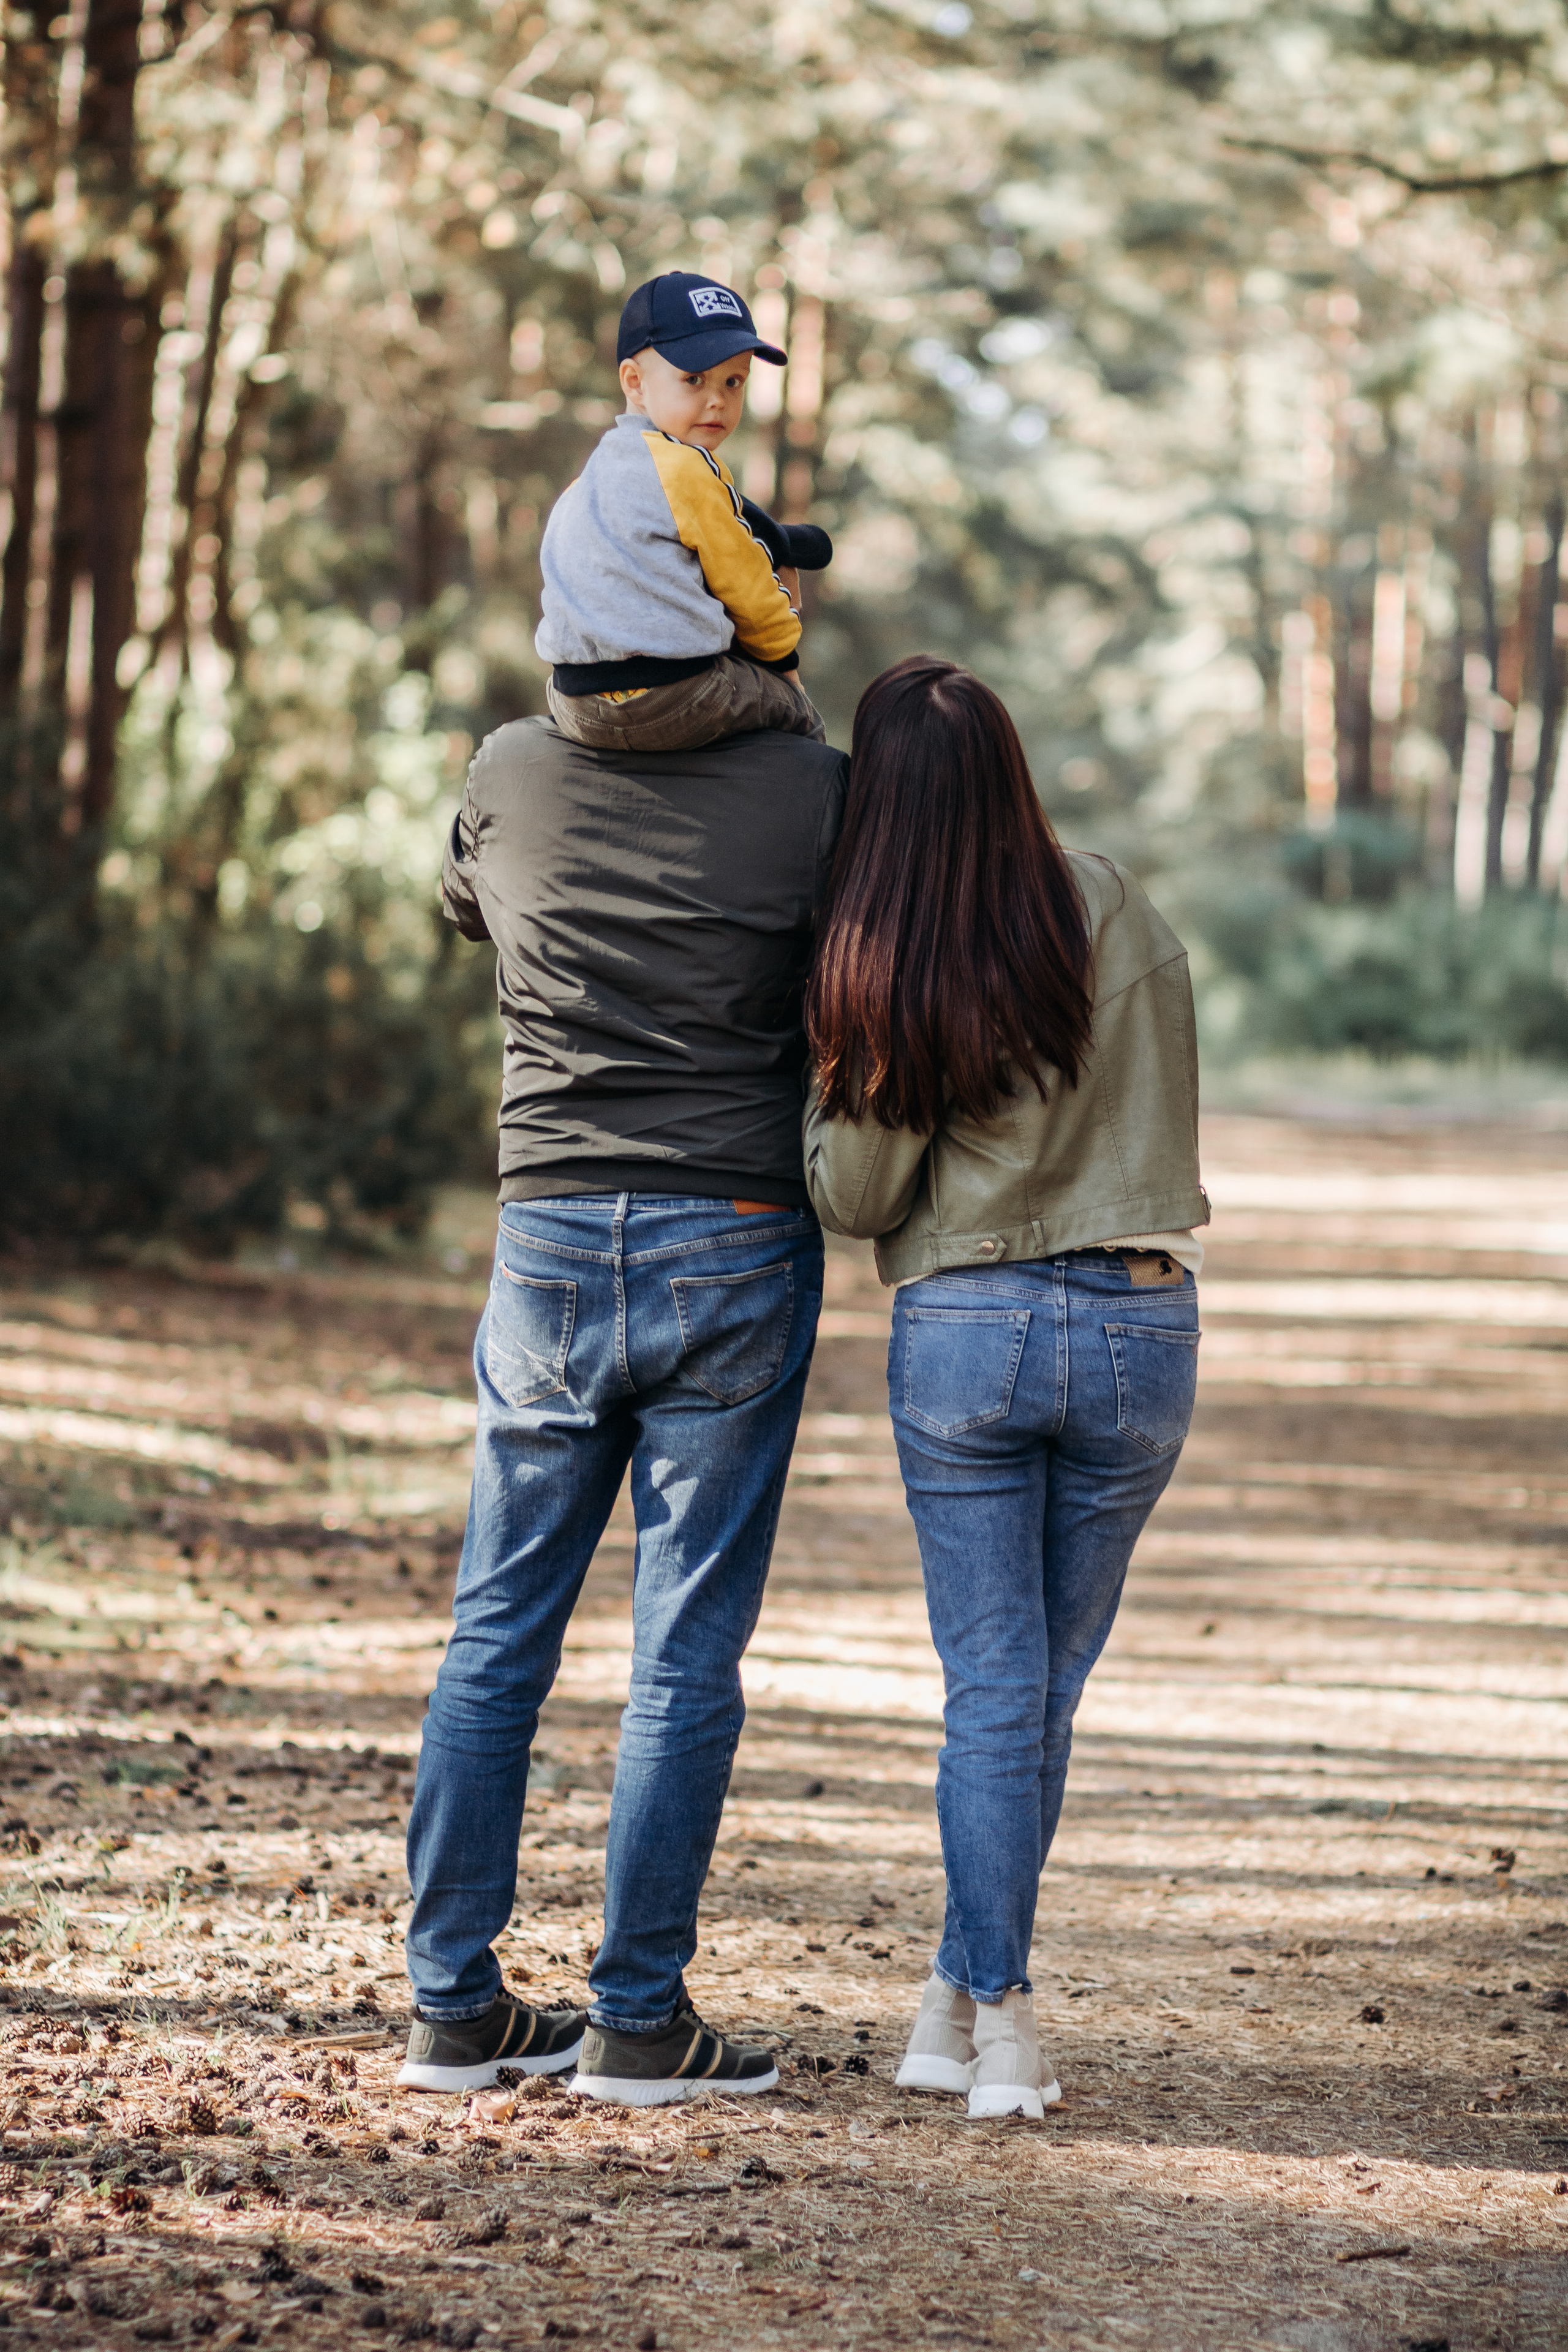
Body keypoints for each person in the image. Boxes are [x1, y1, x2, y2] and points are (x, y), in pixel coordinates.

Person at [399, 699, 846, 2103]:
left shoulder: (508, 764)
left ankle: (451, 2009)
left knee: (495, 1633)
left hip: (549, 1228)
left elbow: (460, 902)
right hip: (731, 1220)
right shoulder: (810, 784)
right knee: (681, 1648)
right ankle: (638, 2019)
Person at [802, 656, 1208, 2121]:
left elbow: (854, 1196)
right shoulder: (1119, 906)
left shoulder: (890, 943)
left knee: (993, 1690)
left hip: (966, 1326)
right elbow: (1154, 1107)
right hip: (1138, 1327)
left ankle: (995, 2010)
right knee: (1037, 1695)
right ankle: (954, 1992)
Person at [535, 270, 832, 753]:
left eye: (733, 381)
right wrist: (785, 662)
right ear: (634, 382)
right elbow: (748, 585)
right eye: (694, 378)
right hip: (674, 696)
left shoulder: (582, 486)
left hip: (575, 703)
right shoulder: (686, 469)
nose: (717, 399)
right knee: (796, 715)